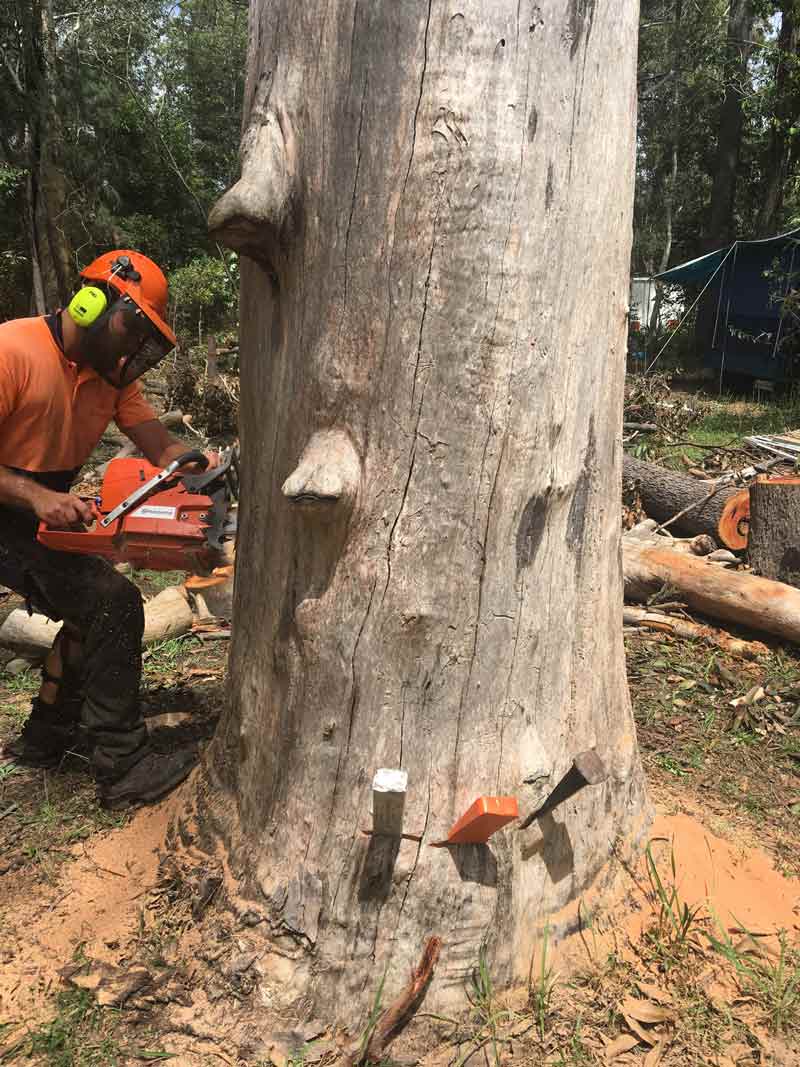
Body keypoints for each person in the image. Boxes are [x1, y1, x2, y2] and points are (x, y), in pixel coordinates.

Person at [0, 249, 215, 807]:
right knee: (113, 603)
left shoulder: (111, 378)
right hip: (8, 509)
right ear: (93, 301)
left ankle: (46, 737)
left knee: (92, 604)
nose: (133, 347)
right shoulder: (12, 350)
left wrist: (200, 468)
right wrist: (39, 497)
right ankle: (122, 768)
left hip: (38, 511)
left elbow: (159, 443)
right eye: (132, 328)